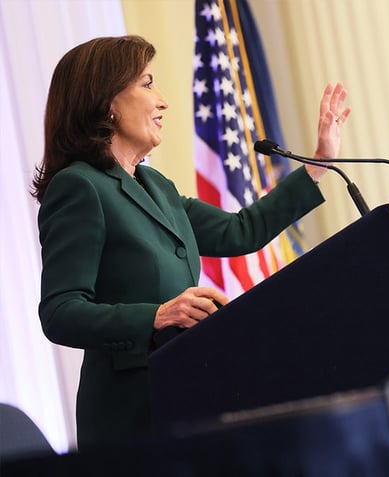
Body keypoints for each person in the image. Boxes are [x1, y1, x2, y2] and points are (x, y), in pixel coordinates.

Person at [31, 35, 350, 451]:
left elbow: (241, 230)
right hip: (130, 419)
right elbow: (60, 312)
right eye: (147, 84)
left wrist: (319, 163)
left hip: (189, 397)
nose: (162, 100)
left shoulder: (156, 186)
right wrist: (158, 315)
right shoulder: (79, 187)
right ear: (107, 100)